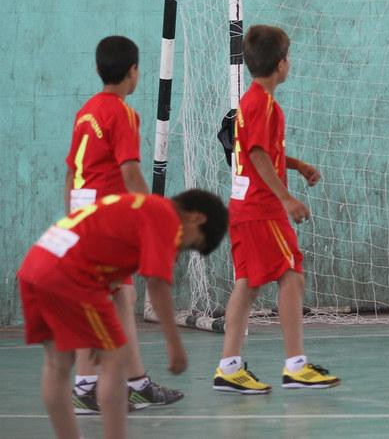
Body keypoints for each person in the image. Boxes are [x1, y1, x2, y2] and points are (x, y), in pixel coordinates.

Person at [17, 190, 228, 439]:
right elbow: (157, 285)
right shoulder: (166, 218)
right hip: (70, 275)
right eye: (193, 243)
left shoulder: (137, 205)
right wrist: (175, 344)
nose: (184, 248)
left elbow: (104, 252)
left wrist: (91, 329)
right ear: (197, 218)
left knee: (57, 363)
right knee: (116, 359)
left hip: (36, 266)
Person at [213, 24, 339, 393]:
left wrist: (296, 166)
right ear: (282, 64)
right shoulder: (263, 104)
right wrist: (287, 197)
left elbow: (262, 151)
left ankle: (229, 366)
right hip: (261, 208)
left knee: (247, 285)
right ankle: (296, 365)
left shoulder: (251, 102)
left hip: (243, 207)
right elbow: (256, 154)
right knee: (291, 275)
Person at [65, 35, 183, 413]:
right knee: (101, 301)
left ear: (99, 70)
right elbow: (130, 171)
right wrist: (153, 212)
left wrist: (71, 216)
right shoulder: (122, 114)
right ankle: (85, 386)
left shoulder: (86, 110)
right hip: (106, 221)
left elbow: (71, 171)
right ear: (134, 73)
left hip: (87, 217)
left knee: (122, 298)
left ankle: (137, 383)